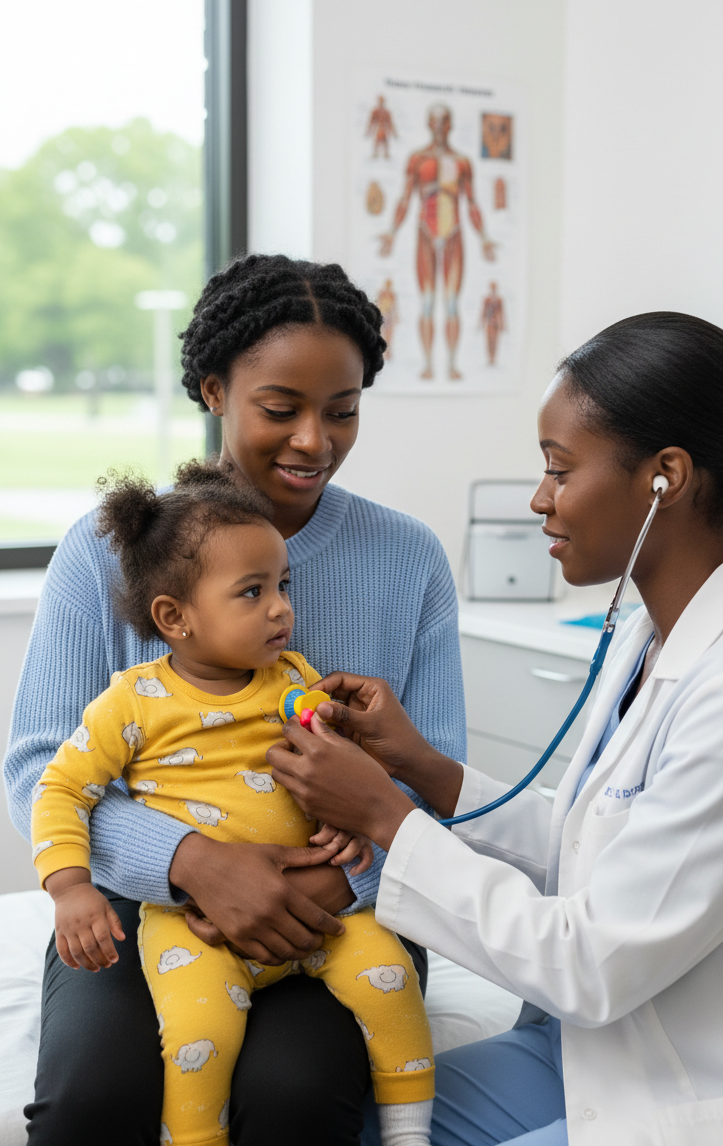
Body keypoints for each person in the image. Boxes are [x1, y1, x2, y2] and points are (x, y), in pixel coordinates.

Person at [267, 312, 723, 1145]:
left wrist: (385, 817)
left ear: (666, 477)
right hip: (598, 1048)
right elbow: (596, 849)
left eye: (559, 470)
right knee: (349, 1124)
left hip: (721, 1078)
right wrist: (425, 769)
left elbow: (589, 962)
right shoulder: (644, 635)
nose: (540, 499)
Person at [4, 253, 466, 1146]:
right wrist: (191, 861)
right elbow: (39, 767)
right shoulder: (107, 552)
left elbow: (428, 772)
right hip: (150, 908)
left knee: (294, 1099)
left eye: (343, 411)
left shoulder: (407, 560)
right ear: (214, 390)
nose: (314, 441)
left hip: (344, 908)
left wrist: (336, 879)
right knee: (91, 1106)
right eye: (281, 409)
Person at [31, 461, 436, 1146]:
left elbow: (357, 768)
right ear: (174, 618)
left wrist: (350, 823)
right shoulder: (131, 702)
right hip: (190, 923)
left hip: (325, 908)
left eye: (284, 585)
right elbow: (58, 784)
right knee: (196, 1039)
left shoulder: (296, 679)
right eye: (253, 593)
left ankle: (410, 1131)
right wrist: (71, 887)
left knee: (388, 983)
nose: (281, 608)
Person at [379, 103, 496, 381]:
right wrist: (392, 233)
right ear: (429, 124)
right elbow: (405, 199)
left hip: (454, 234)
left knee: (452, 303)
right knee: (428, 303)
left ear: (451, 125)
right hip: (425, 234)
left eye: (445, 121)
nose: (440, 126)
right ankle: (429, 364)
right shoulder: (418, 160)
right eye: (435, 121)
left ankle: (452, 364)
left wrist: (484, 239)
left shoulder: (462, 162)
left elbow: (472, 203)